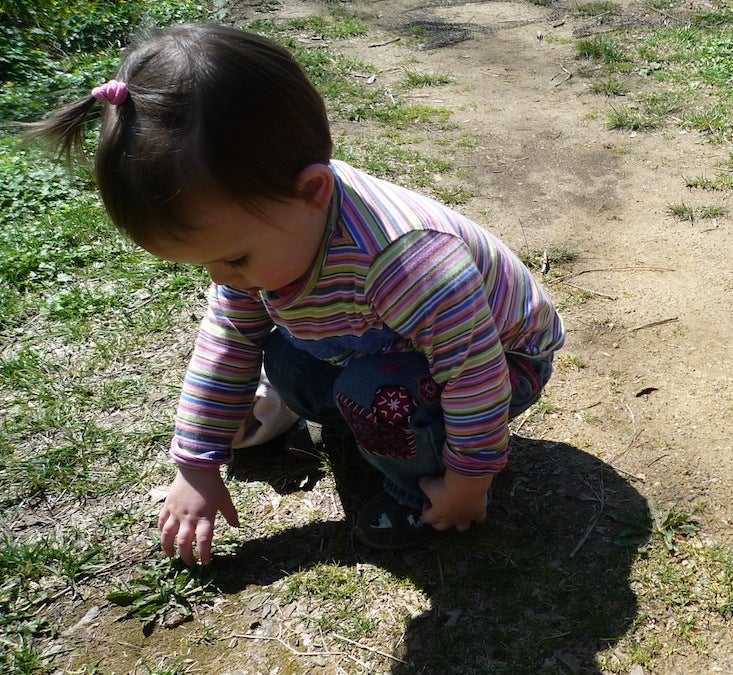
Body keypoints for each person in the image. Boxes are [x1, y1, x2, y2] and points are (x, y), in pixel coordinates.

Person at [29, 23, 564, 565]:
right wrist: (196, 462)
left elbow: (475, 374)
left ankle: (416, 486)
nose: (220, 278)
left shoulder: (408, 262)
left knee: (373, 390)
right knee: (285, 359)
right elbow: (228, 340)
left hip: (501, 362)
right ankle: (372, 429)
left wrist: (468, 482)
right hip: (384, 343)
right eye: (207, 263)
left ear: (312, 191)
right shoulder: (275, 229)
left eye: (233, 259)